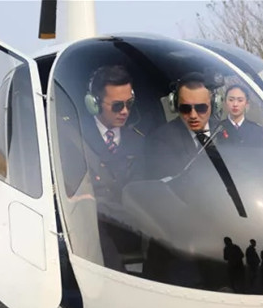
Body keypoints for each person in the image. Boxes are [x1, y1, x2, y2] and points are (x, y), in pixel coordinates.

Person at [83, 65, 145, 270]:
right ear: (94, 104)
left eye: (129, 103)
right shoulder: (74, 138)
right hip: (95, 230)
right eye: (117, 105)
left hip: (134, 227)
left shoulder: (139, 141)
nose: (125, 111)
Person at [146, 72, 219, 179]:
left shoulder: (226, 132)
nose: (193, 115)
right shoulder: (161, 140)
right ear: (175, 106)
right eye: (185, 109)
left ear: (214, 105)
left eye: (201, 108)